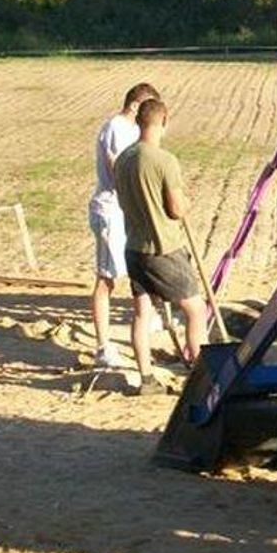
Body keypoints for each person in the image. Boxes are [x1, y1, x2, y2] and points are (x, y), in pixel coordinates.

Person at [114, 98, 207, 395]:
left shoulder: (123, 159)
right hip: (162, 248)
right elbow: (176, 209)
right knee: (196, 310)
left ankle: (146, 378)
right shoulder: (164, 161)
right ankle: (201, 377)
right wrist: (188, 202)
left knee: (142, 314)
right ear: (164, 121)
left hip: (134, 247)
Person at [87, 82, 160, 368]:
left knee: (138, 266)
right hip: (110, 211)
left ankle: (147, 317)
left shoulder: (131, 130)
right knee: (107, 278)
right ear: (134, 106)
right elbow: (121, 169)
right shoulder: (117, 128)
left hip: (127, 210)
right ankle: (103, 346)